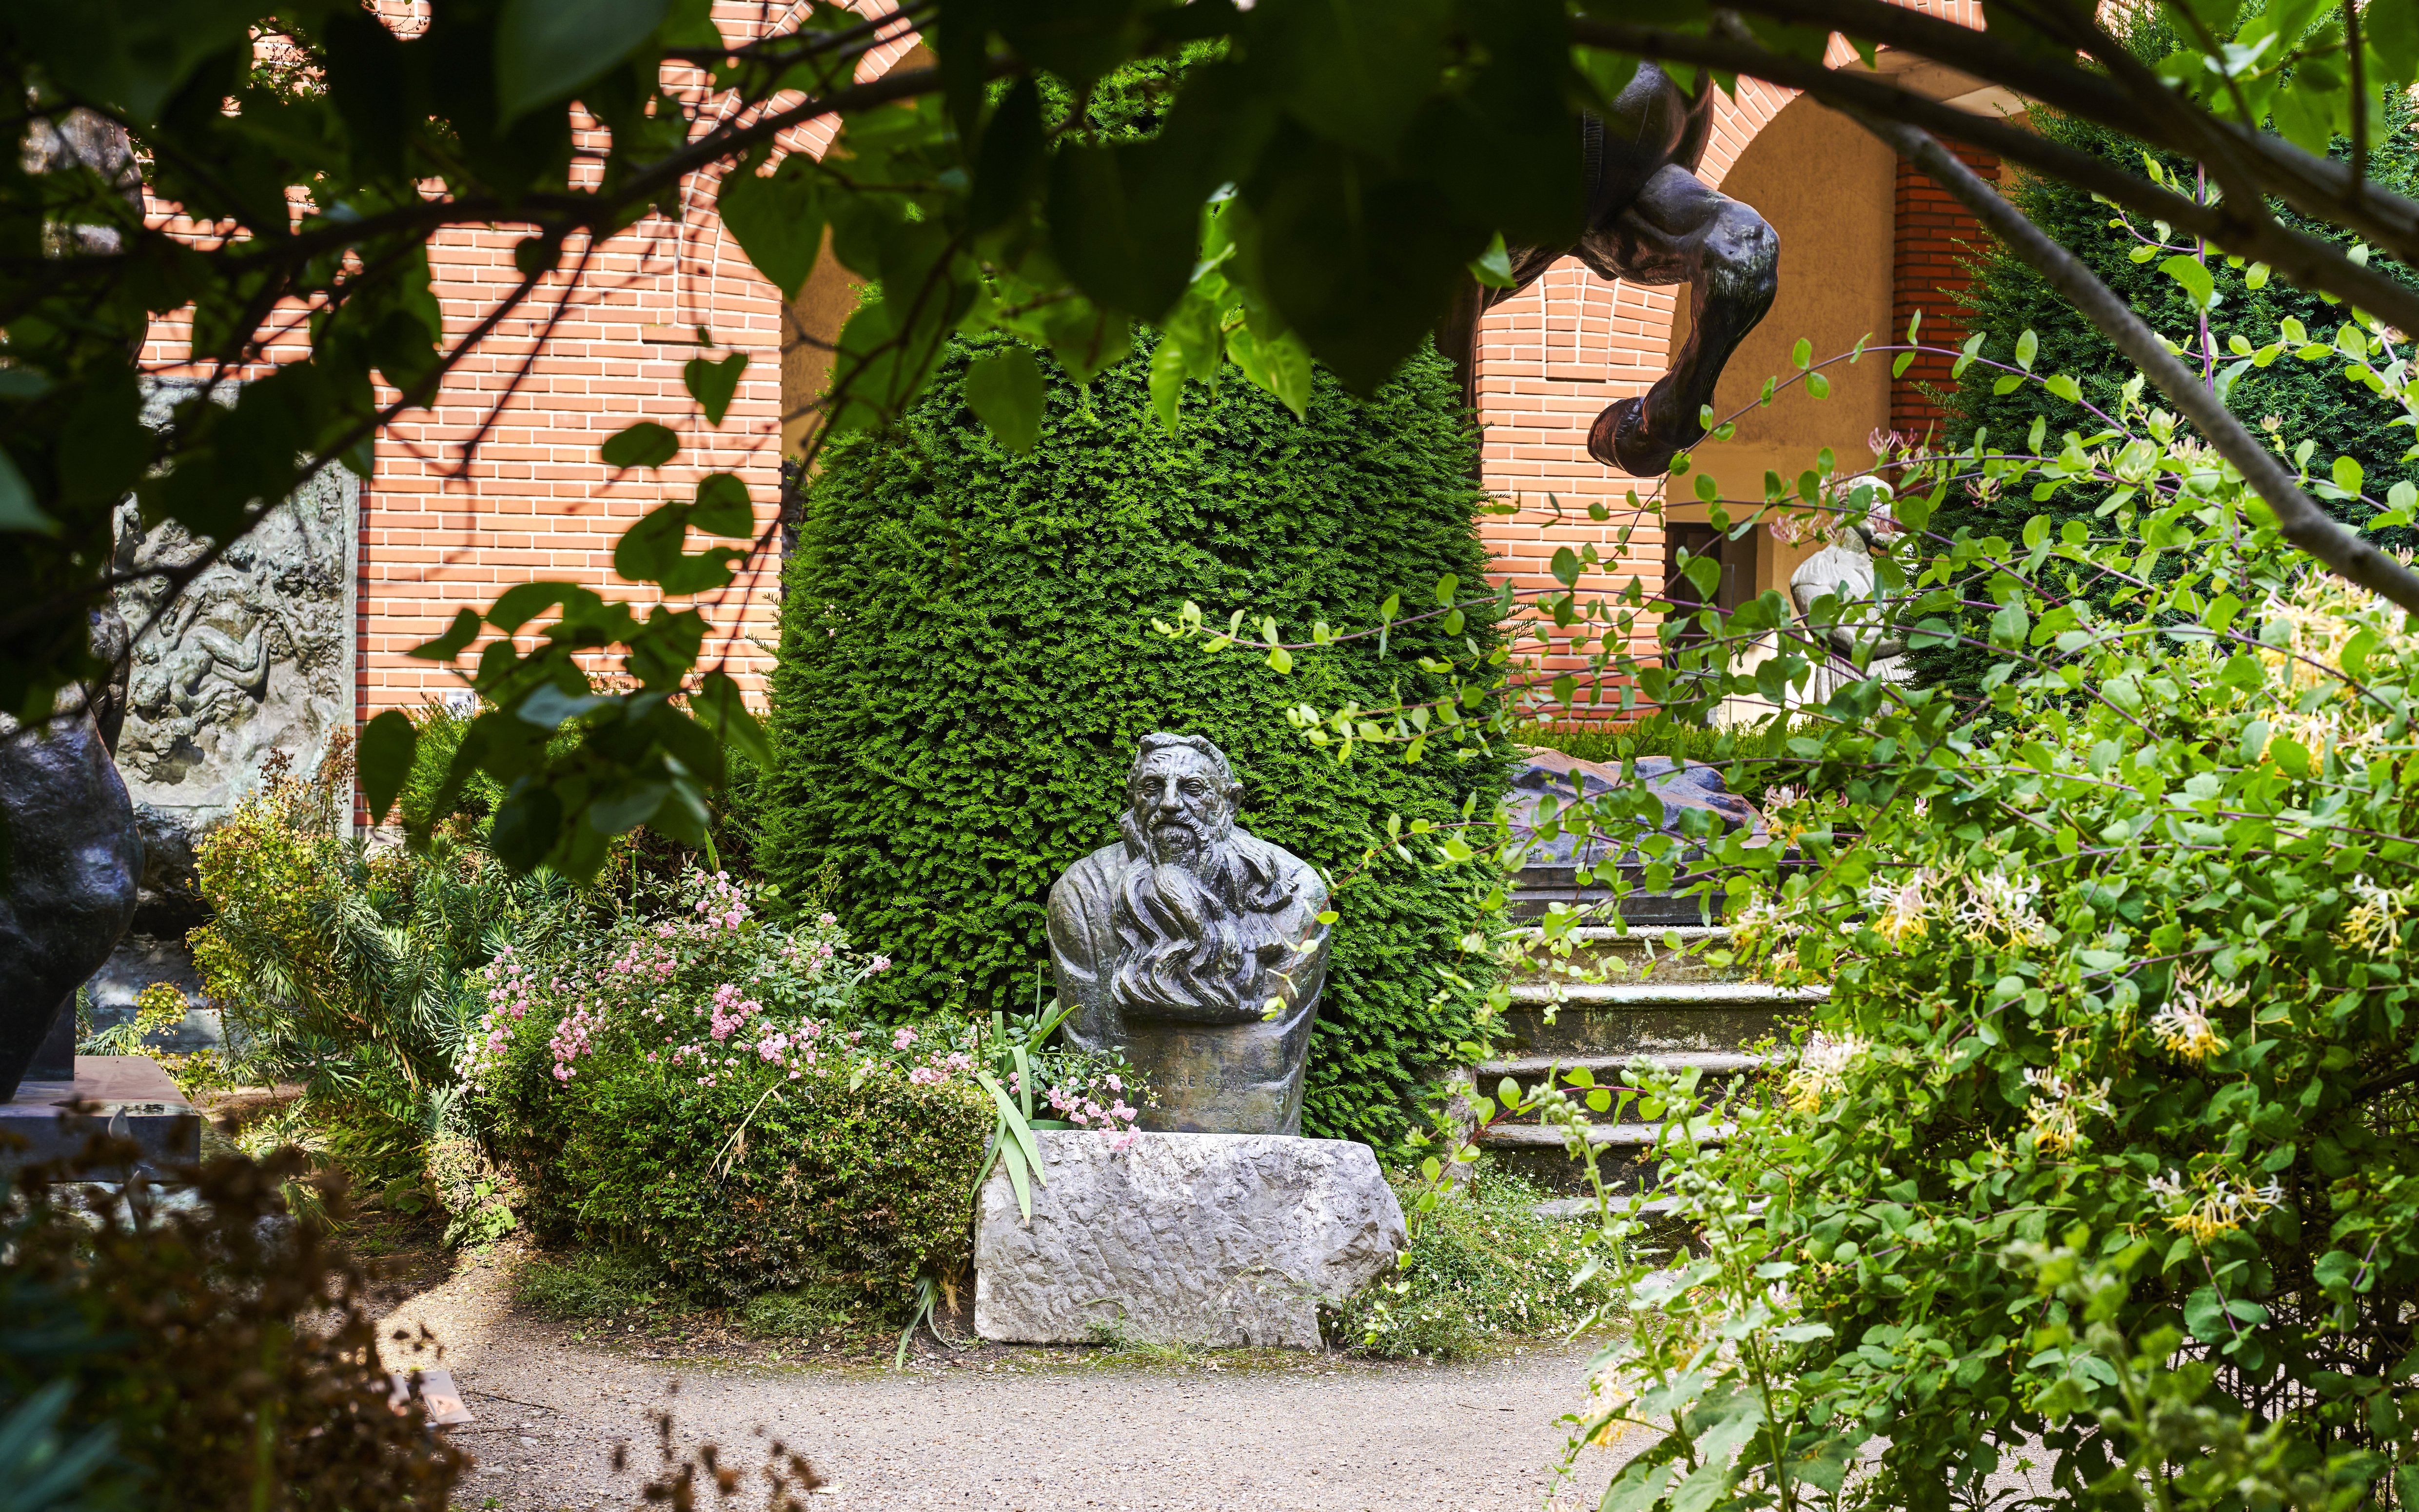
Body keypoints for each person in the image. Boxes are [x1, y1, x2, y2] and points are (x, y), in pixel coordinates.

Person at [1047, 733, 1331, 1135]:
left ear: (1229, 802)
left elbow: (1275, 1053)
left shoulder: (1297, 895)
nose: (1168, 804)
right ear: (1132, 798)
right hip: (1116, 1145)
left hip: (1251, 1140)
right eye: (1151, 788)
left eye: (1192, 789)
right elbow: (1089, 1048)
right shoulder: (1082, 894)